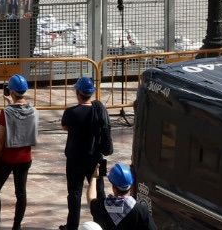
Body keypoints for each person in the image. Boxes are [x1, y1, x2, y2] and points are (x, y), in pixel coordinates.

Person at [60, 75, 112, 230]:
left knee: (74, 194)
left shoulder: (70, 113)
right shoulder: (99, 111)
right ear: (91, 93)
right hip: (97, 159)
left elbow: (65, 126)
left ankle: (72, 226)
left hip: (75, 160)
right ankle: (102, 224)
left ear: (78, 93)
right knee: (100, 193)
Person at [0, 73, 37, 230]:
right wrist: (12, 104)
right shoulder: (33, 110)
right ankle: (17, 226)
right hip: (25, 158)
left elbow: (1, 137)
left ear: (11, 91)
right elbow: (21, 113)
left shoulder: (6, 112)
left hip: (7, 158)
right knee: (21, 193)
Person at [89, 162, 155, 229]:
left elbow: (91, 198)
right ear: (130, 187)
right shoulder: (141, 210)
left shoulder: (100, 206)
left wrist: (94, 177)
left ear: (113, 188)